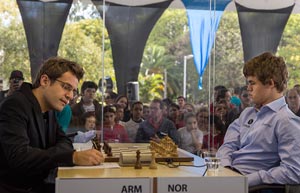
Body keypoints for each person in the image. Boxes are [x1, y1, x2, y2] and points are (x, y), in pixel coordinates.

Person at [0, 57, 104, 193]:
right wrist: (72, 157)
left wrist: (61, 153)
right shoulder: (15, 105)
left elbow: (64, 141)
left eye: (73, 90)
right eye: (66, 87)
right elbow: (20, 157)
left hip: (38, 184)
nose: (70, 96)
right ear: (45, 81)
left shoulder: (49, 109)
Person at [217, 52, 300, 187]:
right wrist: (226, 168)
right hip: (226, 177)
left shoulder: (286, 121)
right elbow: (228, 145)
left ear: (270, 83)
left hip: (248, 185)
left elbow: (294, 171)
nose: (248, 89)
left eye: (252, 83)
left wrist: (251, 180)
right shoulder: (247, 114)